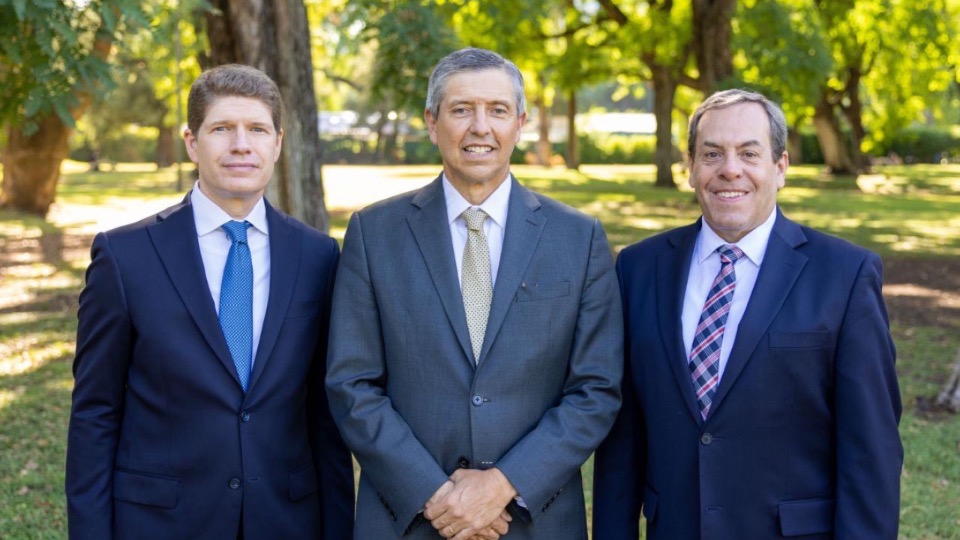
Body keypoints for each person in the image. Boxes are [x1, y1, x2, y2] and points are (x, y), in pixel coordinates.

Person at [325, 47, 623, 539]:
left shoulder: (579, 237)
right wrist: (439, 497)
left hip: (533, 521)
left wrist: (502, 485)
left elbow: (596, 389)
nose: (480, 127)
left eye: (498, 110)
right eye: (461, 109)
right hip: (412, 521)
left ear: (520, 122)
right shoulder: (373, 233)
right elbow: (351, 384)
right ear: (431, 121)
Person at [592, 88, 903, 539]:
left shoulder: (845, 275)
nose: (729, 169)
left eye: (749, 153)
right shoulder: (639, 268)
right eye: (712, 153)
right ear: (691, 168)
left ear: (780, 168)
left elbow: (871, 452)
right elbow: (622, 441)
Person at [66, 64, 354, 540]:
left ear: (278, 144)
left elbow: (326, 418)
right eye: (222, 129)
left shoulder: (318, 255)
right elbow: (96, 413)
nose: (241, 144)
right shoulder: (125, 257)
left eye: (257, 129)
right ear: (192, 142)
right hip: (160, 522)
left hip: (285, 520)